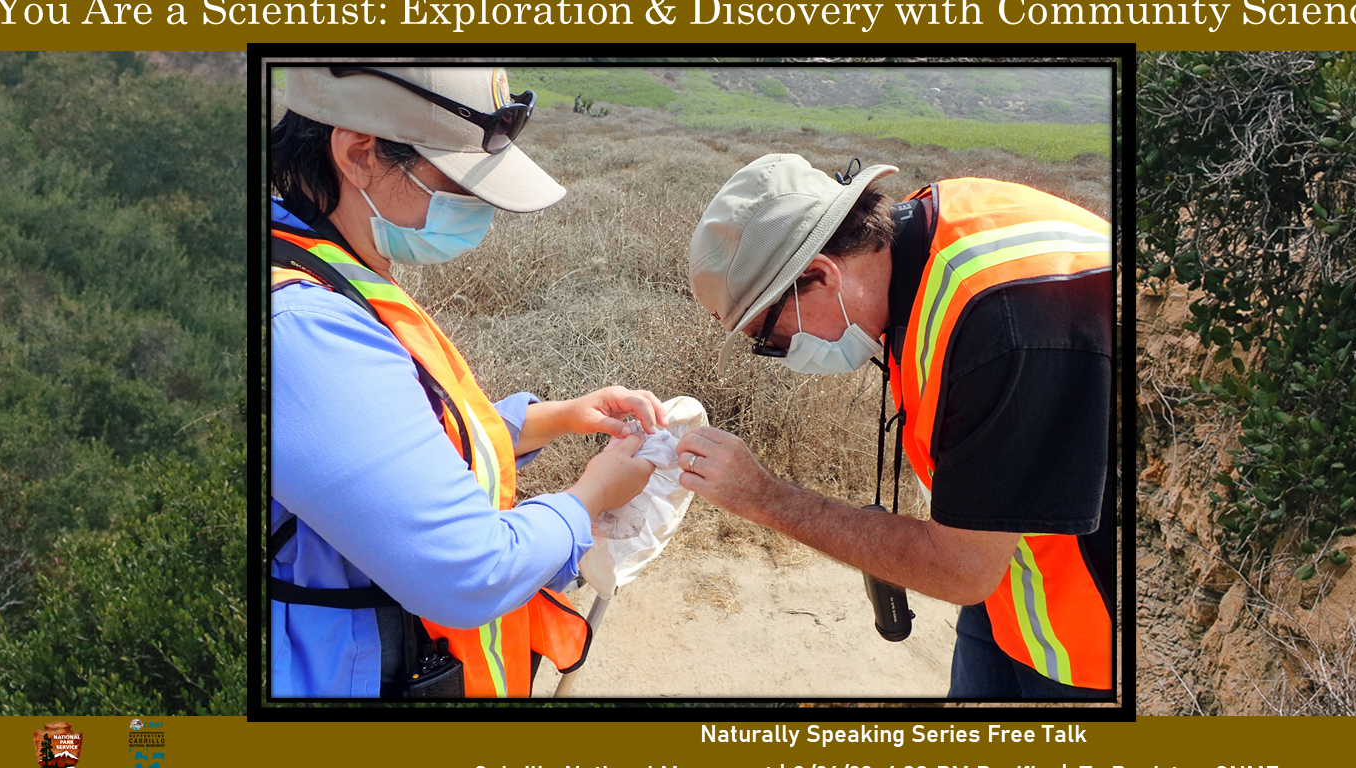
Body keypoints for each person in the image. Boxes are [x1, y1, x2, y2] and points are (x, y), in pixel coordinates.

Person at [269, 66, 665, 699]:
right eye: (459, 182)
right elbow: (469, 571)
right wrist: (590, 497)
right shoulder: (305, 329)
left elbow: (393, 451)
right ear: (359, 153)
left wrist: (557, 417)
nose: (478, 206)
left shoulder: (320, 261)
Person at [678, 154, 1114, 699]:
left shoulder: (1000, 324)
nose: (779, 353)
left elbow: (961, 570)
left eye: (770, 337)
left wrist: (765, 498)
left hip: (1083, 641)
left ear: (819, 275)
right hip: (1010, 591)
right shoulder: (923, 237)